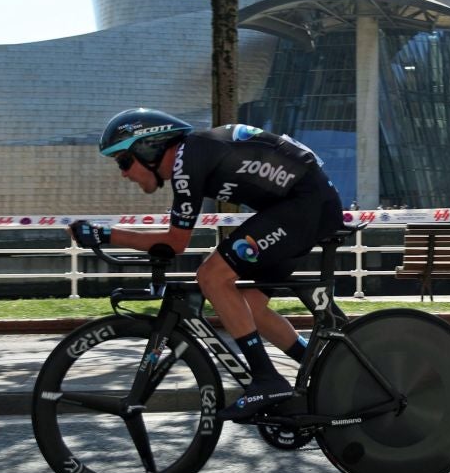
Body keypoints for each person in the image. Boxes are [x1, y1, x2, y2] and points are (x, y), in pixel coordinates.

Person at [70, 109, 342, 420]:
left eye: (124, 161)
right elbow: (174, 241)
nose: (123, 173)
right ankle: (326, 369)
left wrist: (104, 233)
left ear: (149, 147)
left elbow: (175, 243)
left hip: (304, 205)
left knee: (212, 277)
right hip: (302, 205)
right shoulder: (195, 154)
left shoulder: (188, 159)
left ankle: (267, 380)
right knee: (250, 308)